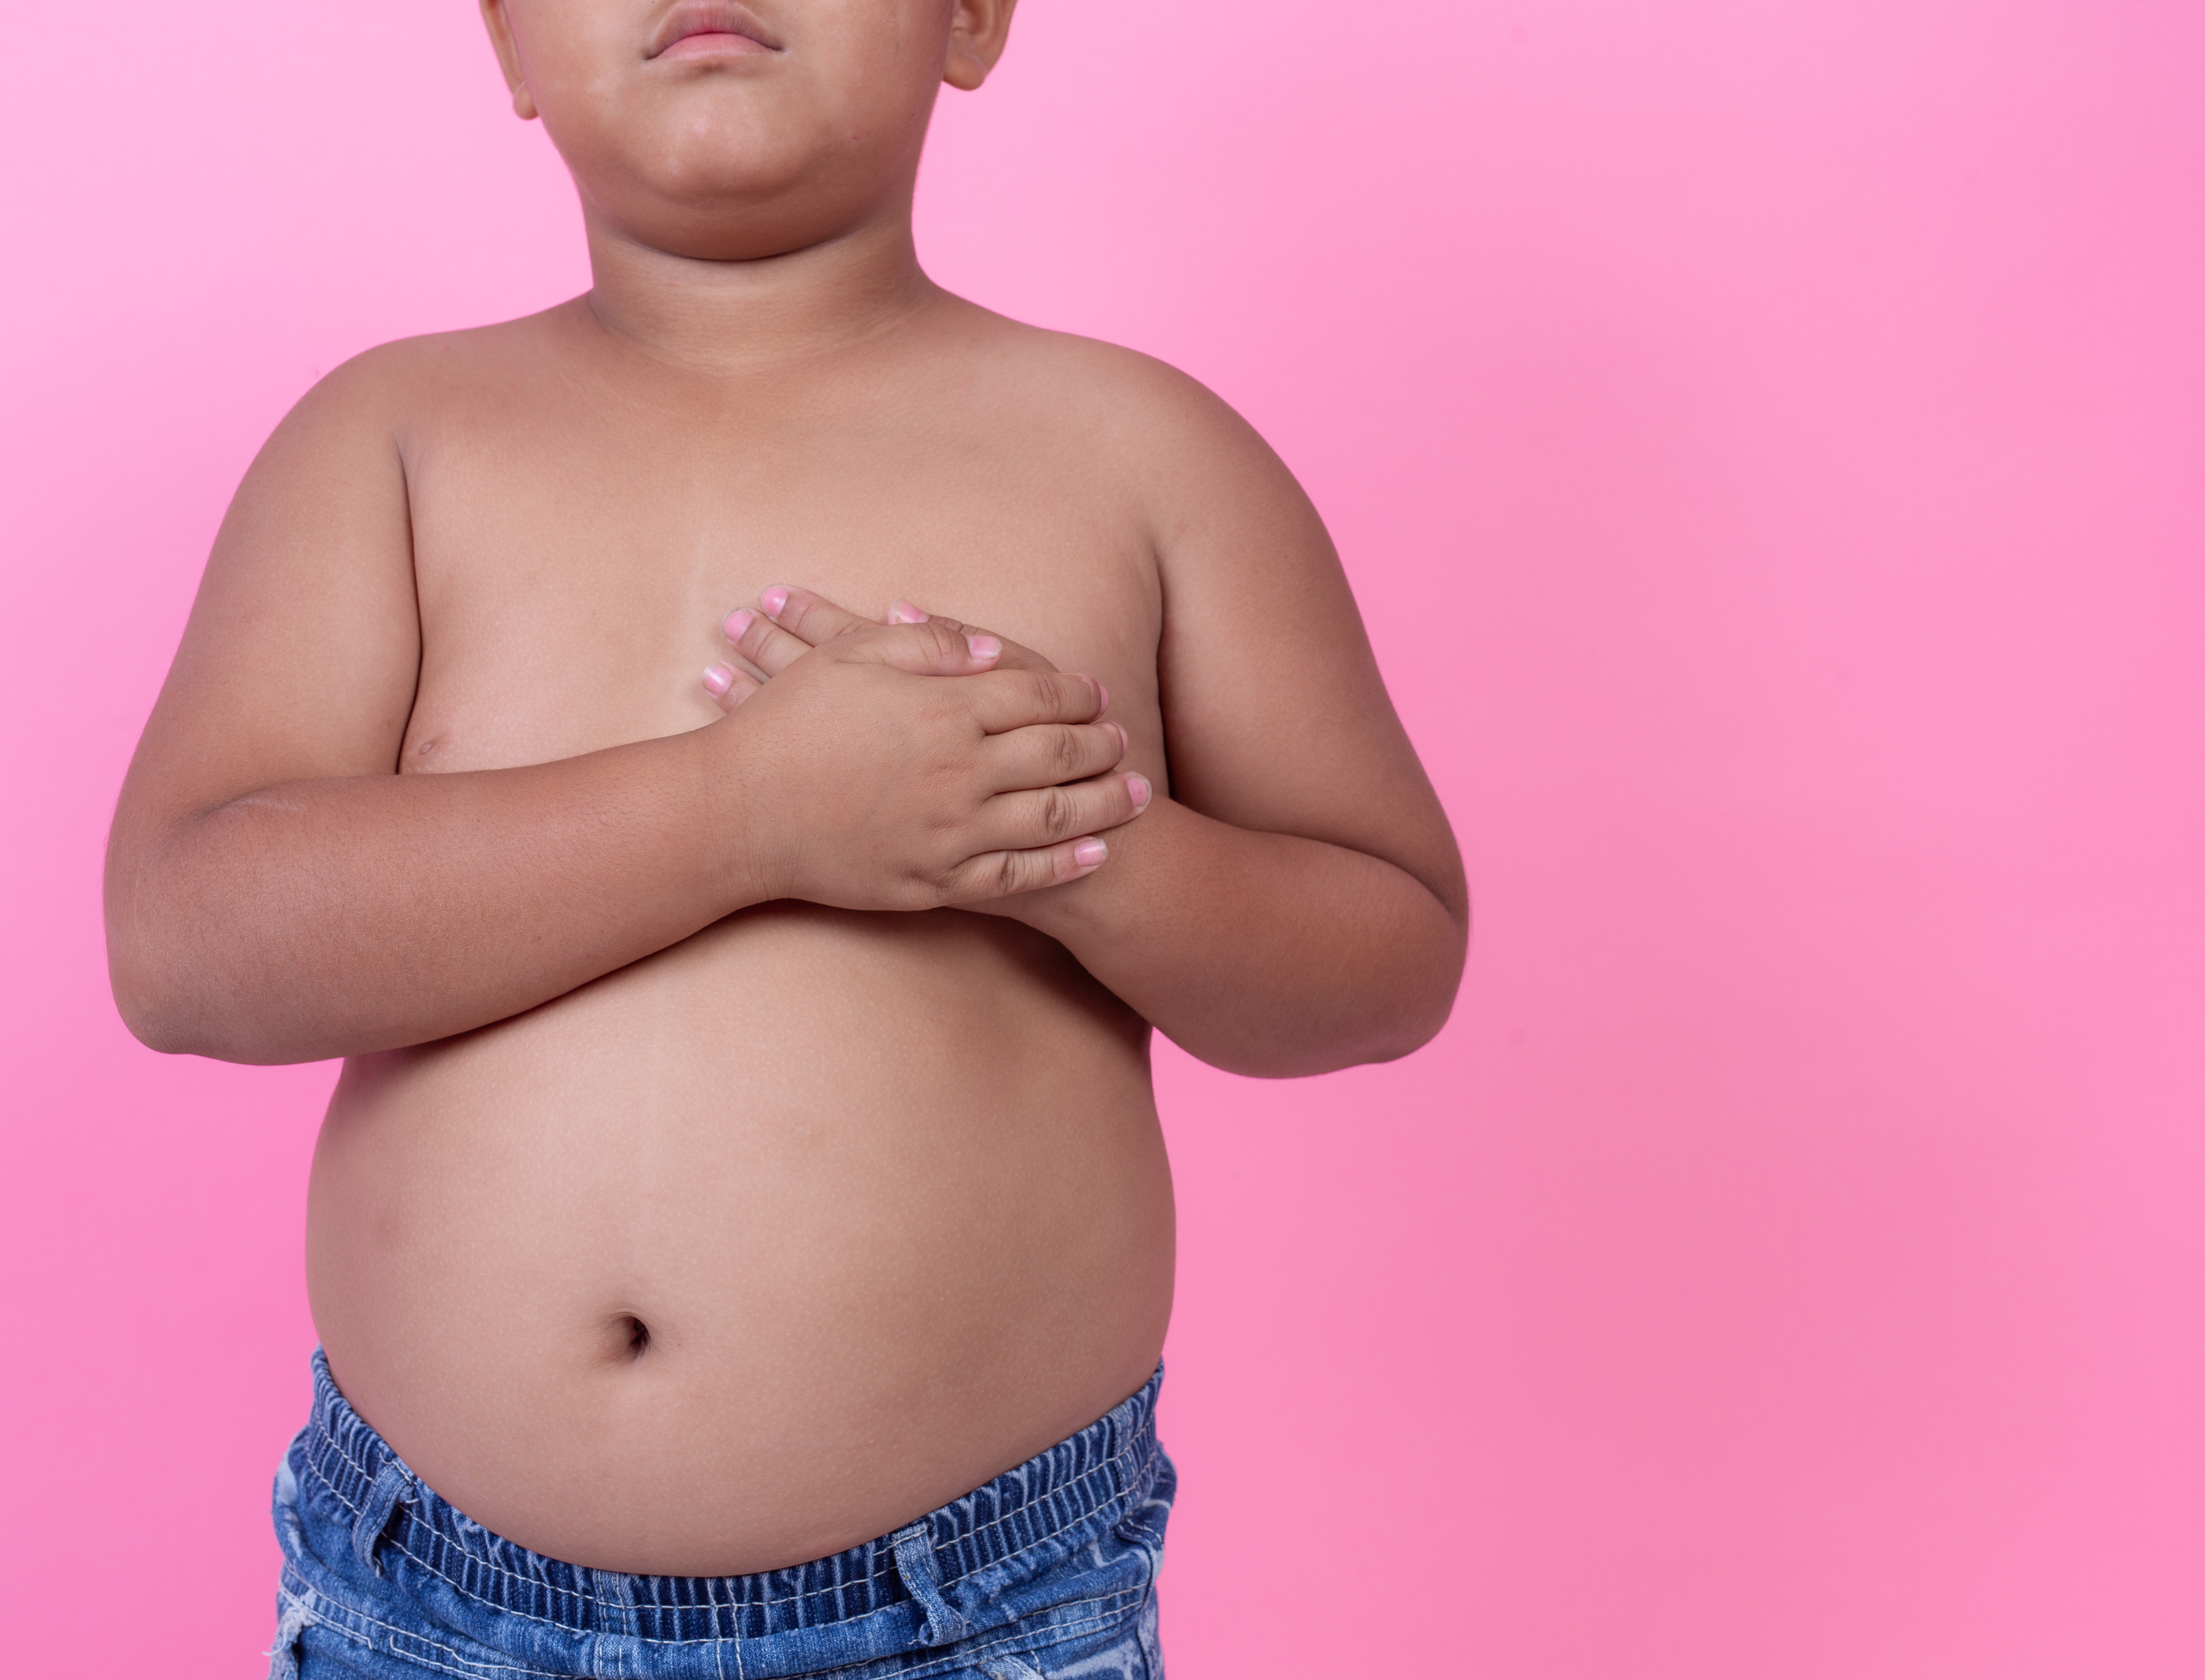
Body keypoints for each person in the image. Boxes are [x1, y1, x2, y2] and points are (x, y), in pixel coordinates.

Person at [104, 2, 1466, 1674]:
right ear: (509, 45)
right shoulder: (392, 440)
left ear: (970, 17)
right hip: (417, 1597)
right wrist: (746, 811)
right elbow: (187, 946)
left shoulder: (1144, 453)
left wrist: (1062, 833)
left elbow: (1388, 958)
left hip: (974, 1612)